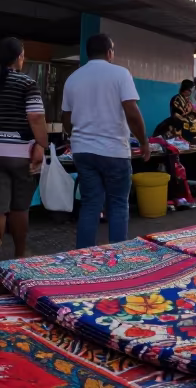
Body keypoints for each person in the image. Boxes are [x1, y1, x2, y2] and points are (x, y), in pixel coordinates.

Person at [61, 33, 150, 248]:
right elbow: (131, 110)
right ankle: (117, 258)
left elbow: (66, 118)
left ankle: (83, 256)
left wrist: (79, 136)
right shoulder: (120, 74)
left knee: (90, 204)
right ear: (110, 52)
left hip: (83, 152)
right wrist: (144, 141)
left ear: (88, 53)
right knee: (118, 204)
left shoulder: (73, 78)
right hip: (114, 151)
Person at [0, 38, 49, 257]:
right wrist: (42, 144)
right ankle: (19, 256)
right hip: (20, 154)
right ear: (19, 57)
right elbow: (36, 116)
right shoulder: (26, 83)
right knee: (19, 208)